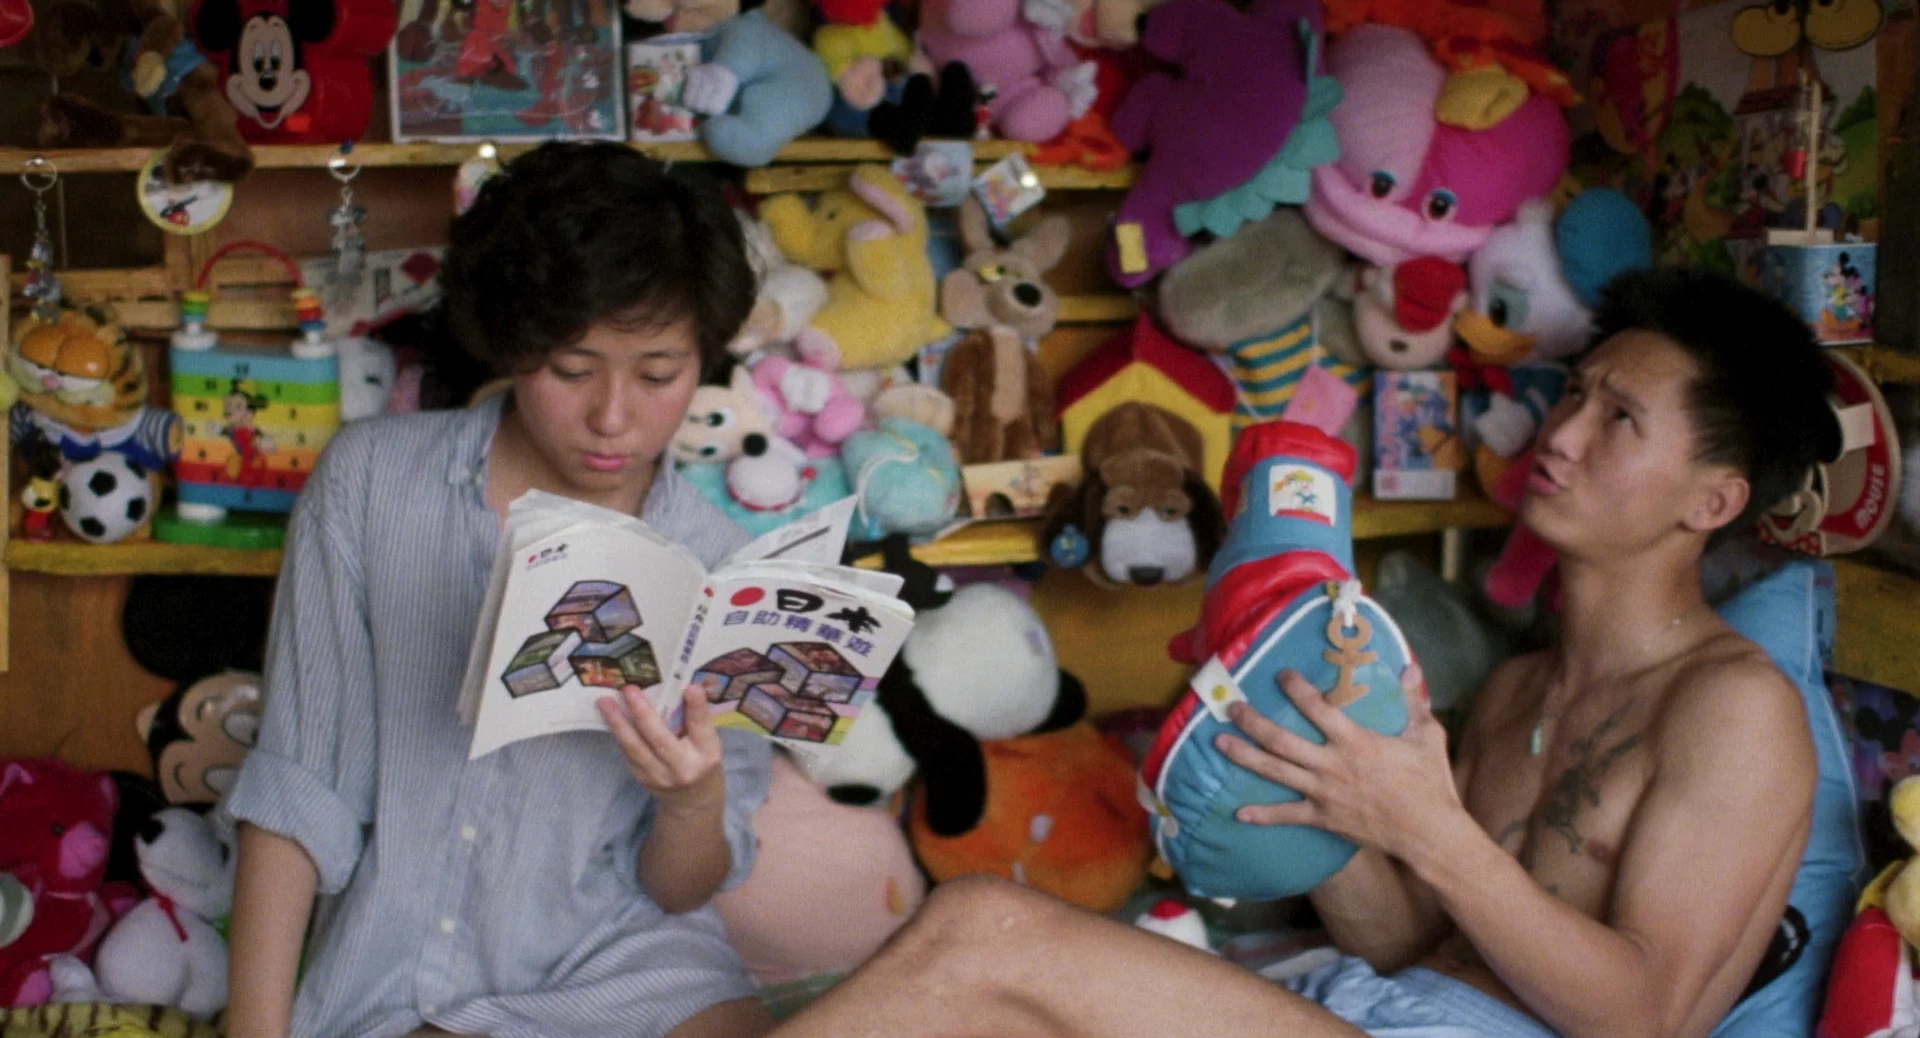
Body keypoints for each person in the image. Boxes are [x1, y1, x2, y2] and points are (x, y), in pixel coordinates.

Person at [768, 267, 1839, 1038]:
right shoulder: (1520, 686)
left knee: (980, 930)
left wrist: (1428, 827)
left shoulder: (1734, 705)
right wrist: (1320, 783)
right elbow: (1412, 947)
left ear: (1714, 500)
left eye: (1620, 419)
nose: (1560, 435)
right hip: (1378, 1008)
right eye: (1574, 394)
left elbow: (1649, 1015)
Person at [223, 142, 774, 1038]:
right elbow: (299, 784)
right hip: (401, 980)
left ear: (703, 360)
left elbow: (681, 889)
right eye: (571, 368)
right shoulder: (371, 484)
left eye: (658, 374)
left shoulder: (729, 572)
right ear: (511, 344)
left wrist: (692, 802)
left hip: (631, 970)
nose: (612, 417)